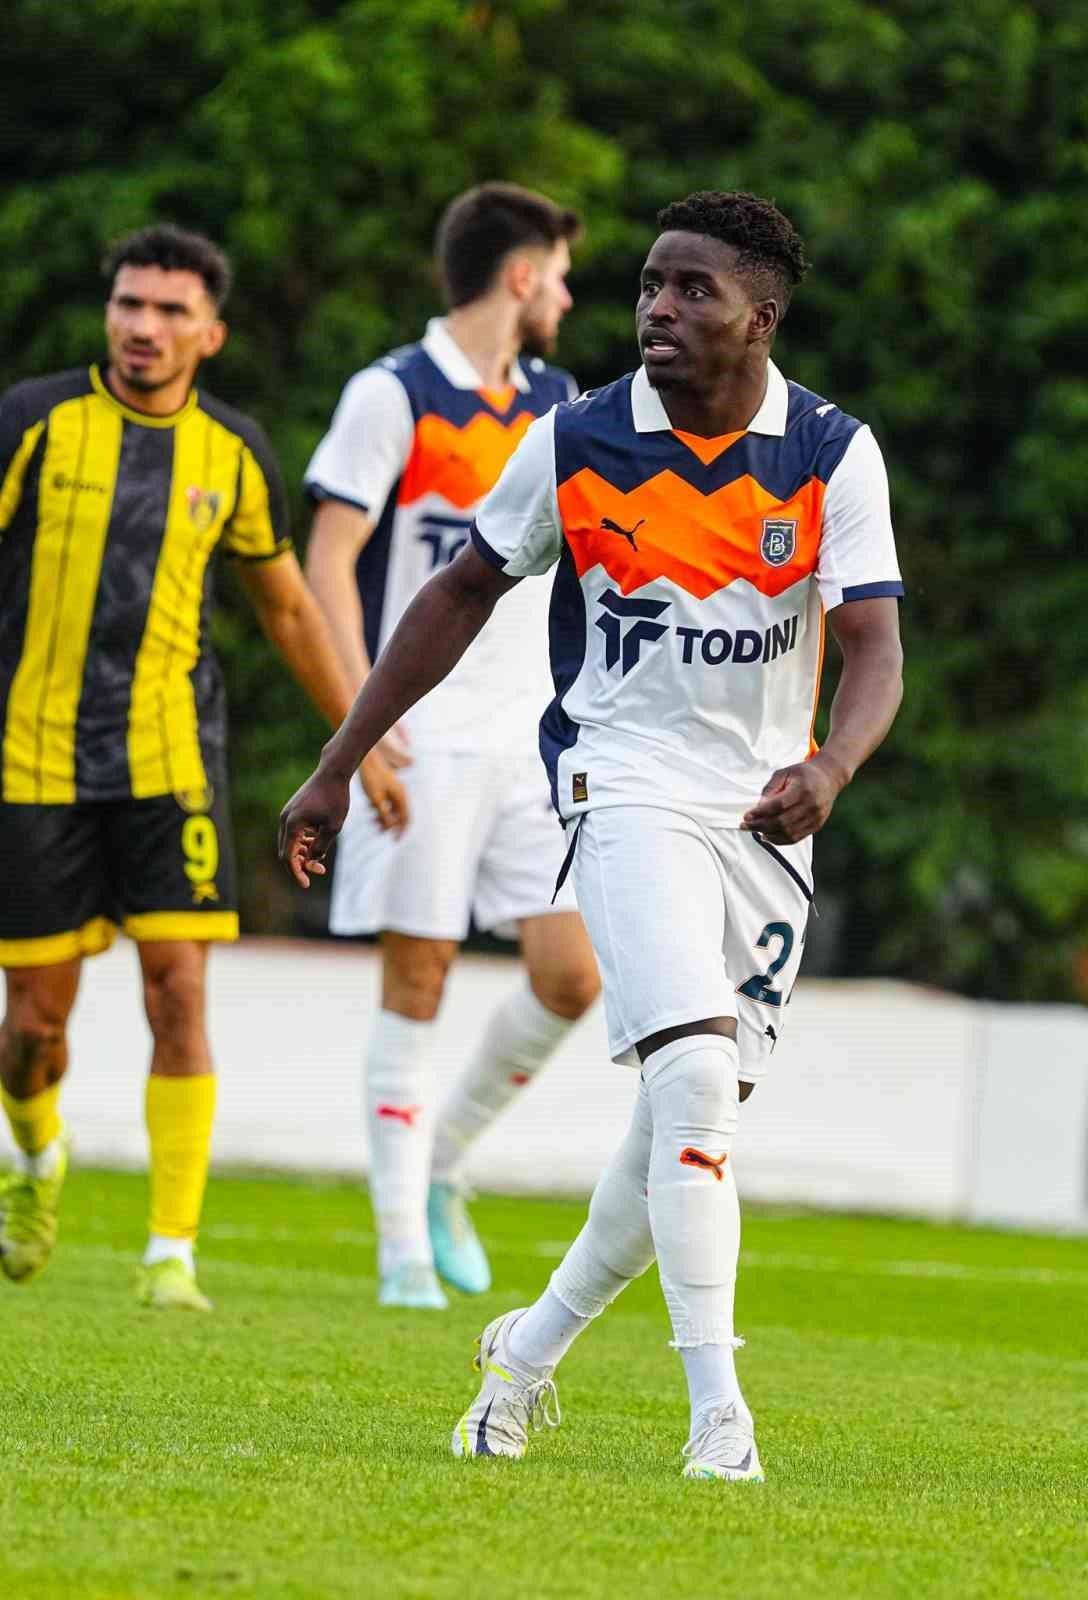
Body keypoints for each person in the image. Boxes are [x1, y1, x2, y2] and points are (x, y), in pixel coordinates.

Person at [279, 191, 904, 1479]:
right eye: (648, 285)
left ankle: (523, 1355)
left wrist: (831, 765)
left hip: (764, 817)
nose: (656, 309)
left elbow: (876, 647)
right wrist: (340, 760)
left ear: (761, 317)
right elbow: (458, 592)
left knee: (687, 1110)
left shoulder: (832, 453)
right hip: (618, 784)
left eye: (692, 290)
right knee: (692, 1081)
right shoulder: (575, 439)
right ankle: (718, 1415)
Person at [0, 224, 407, 1311]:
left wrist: (358, 746)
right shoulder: (32, 422)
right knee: (33, 1028)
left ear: (210, 333)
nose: (143, 326)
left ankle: (170, 1252)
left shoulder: (232, 451)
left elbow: (289, 609)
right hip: (31, 760)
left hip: (171, 761)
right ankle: (35, 1154)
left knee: (177, 989)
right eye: (129, 304)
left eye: (170, 310)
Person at [302, 183, 601, 1311]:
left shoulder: (561, 404)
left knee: (572, 978)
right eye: (559, 275)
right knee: (417, 979)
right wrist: (360, 729)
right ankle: (401, 1259)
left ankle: (441, 1164)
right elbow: (328, 562)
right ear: (520, 275)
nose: (567, 297)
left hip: (535, 737)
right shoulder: (393, 393)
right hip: (421, 733)